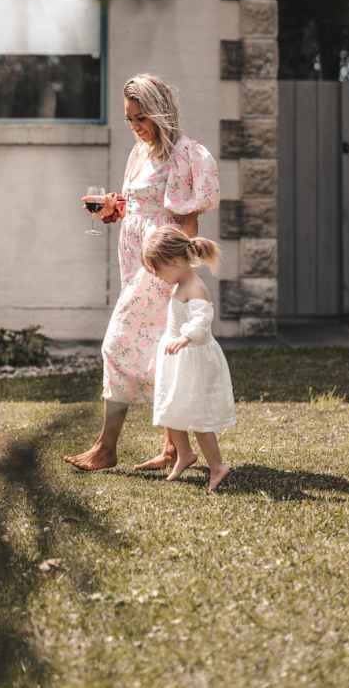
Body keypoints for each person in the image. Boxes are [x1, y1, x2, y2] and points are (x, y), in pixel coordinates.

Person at [64, 73, 219, 472]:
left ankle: (105, 447)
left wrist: (176, 276)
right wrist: (115, 209)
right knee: (155, 348)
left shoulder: (185, 155)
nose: (135, 127)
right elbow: (138, 205)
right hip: (133, 259)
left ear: (160, 113)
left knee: (116, 344)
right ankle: (173, 448)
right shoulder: (140, 152)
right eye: (129, 119)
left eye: (140, 118)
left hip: (159, 265)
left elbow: (187, 225)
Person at [142, 225, 235, 492]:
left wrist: (185, 338)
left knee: (197, 416)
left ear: (173, 261)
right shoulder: (181, 282)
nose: (158, 277)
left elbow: (202, 319)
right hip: (176, 356)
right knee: (172, 408)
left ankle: (217, 466)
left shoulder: (194, 287)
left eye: (158, 271)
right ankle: (184, 454)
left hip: (193, 358)